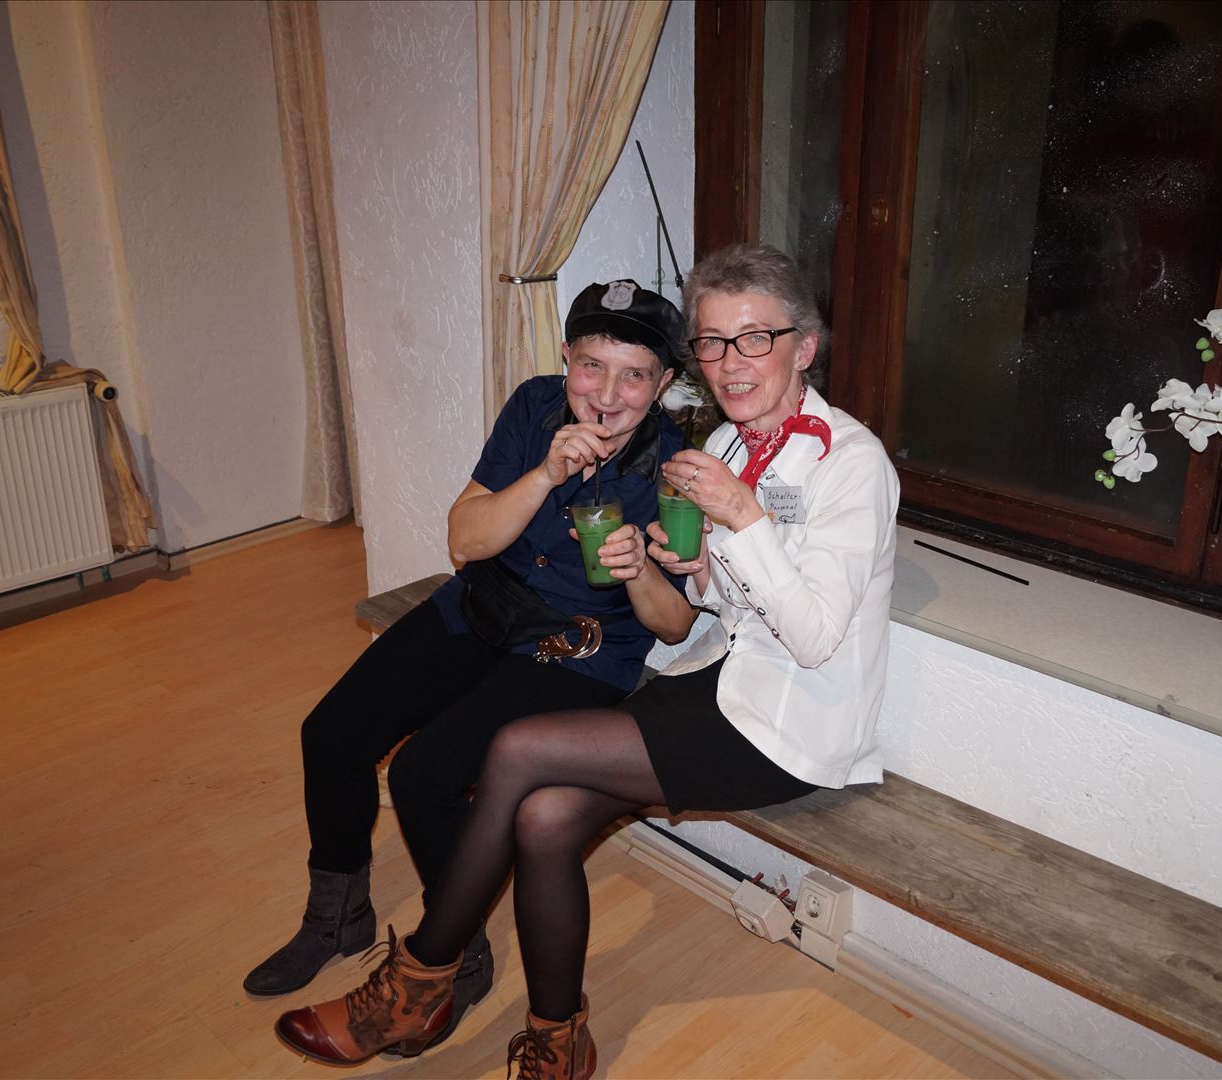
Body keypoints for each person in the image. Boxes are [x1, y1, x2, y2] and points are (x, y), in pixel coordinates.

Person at [273, 244, 900, 1079]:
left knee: (515, 751)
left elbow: (814, 639)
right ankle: (558, 1042)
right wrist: (689, 565)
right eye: (714, 342)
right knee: (542, 818)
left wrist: (739, 521)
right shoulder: (732, 443)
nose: (729, 362)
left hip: (789, 722)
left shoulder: (850, 463)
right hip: (720, 684)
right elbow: (722, 605)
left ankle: (418, 982)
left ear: (804, 347)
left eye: (754, 339)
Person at [244, 280, 694, 1059]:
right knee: (333, 733)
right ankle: (337, 916)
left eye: (633, 375)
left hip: (580, 651)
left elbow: (675, 623)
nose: (607, 394)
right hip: (480, 609)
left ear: (662, 383)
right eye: (592, 365)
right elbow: (464, 540)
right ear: (566, 358)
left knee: (425, 775)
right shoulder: (534, 408)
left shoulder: (676, 468)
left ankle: (453, 956)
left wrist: (637, 572)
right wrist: (543, 475)